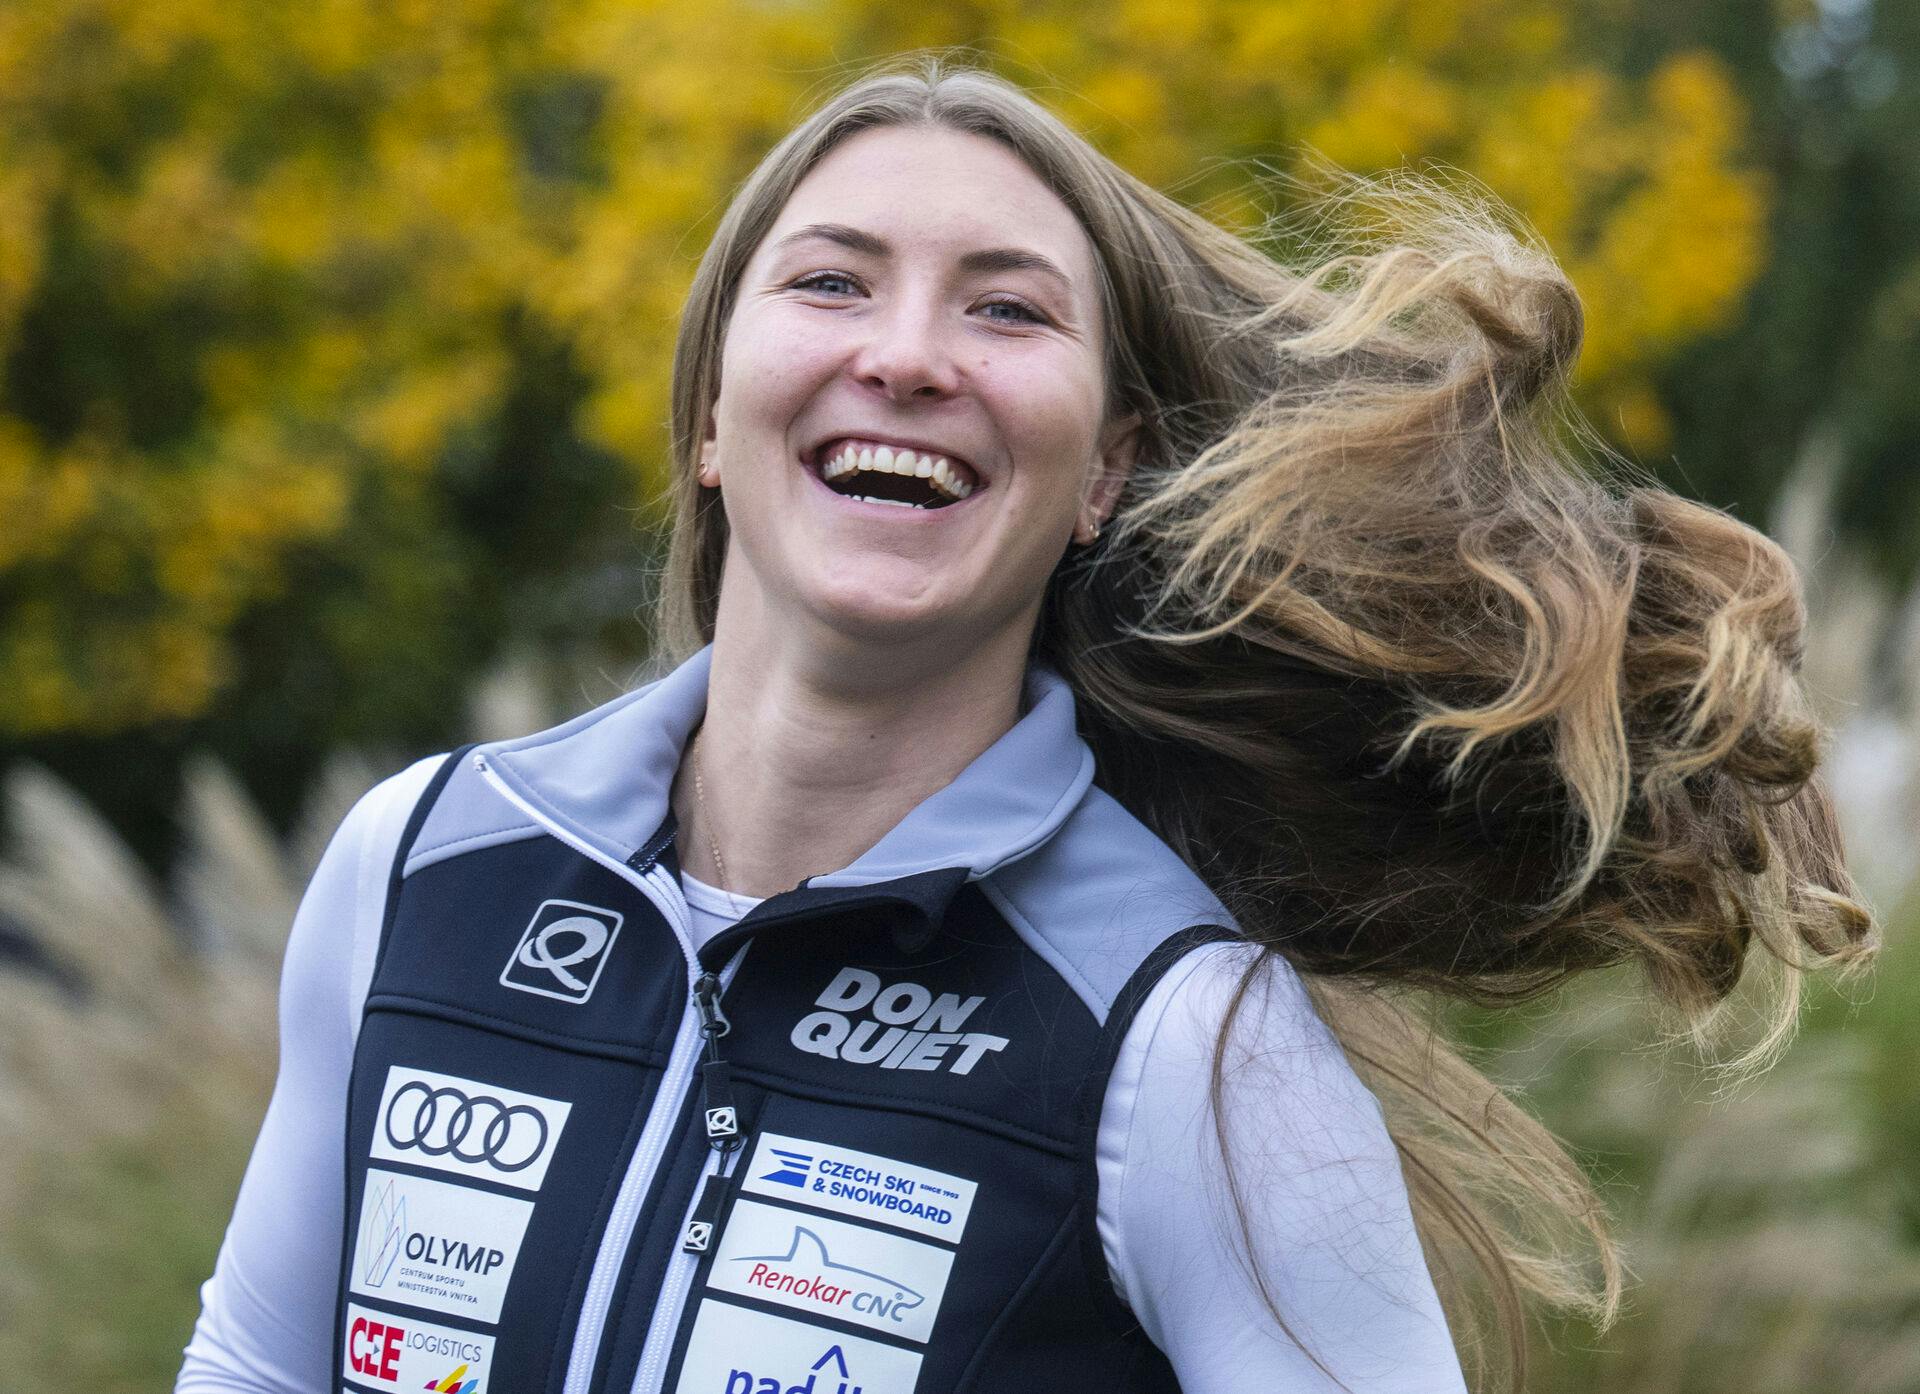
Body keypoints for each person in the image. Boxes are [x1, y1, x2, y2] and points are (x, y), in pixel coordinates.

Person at [175, 55, 1873, 1394]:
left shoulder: (1193, 1043)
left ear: (1104, 475)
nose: (909, 357)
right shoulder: (424, 862)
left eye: (1007, 308)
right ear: (709, 412)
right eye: (833, 283)